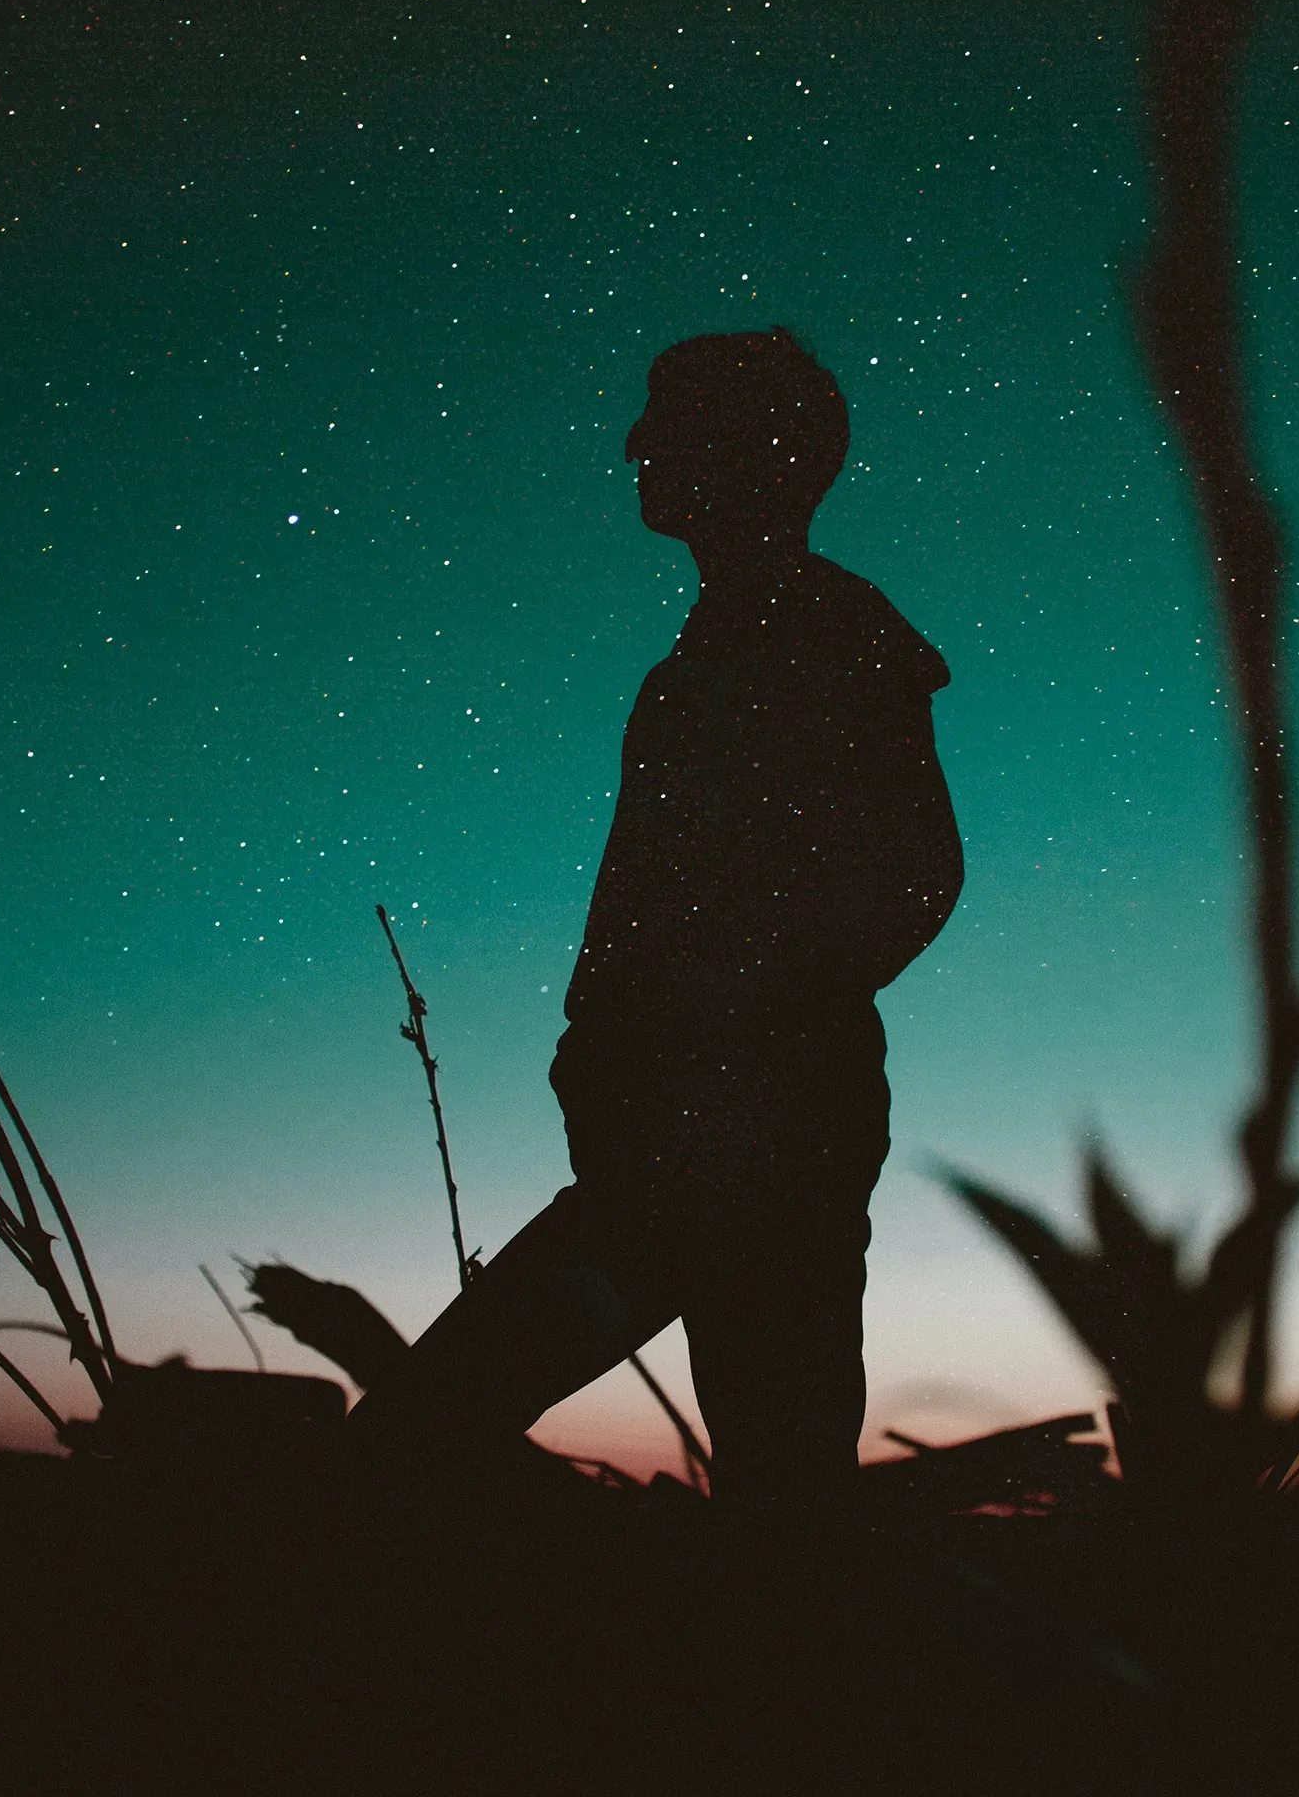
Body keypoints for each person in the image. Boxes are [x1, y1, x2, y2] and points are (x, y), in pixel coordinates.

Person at [350, 327, 962, 1517]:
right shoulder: (721, 647)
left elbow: (911, 874)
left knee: (430, 1438)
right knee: (776, 1490)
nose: (635, 445)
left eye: (668, 422)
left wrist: (722, 1020)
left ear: (748, 454)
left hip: (738, 1132)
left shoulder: (823, 631)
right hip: (703, 1125)